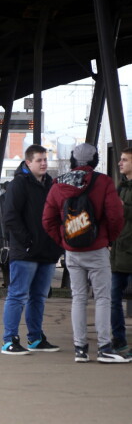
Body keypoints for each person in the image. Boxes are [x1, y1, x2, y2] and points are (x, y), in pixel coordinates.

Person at [43, 143, 127, 363]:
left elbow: (47, 219)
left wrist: (63, 240)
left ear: (72, 160)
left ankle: (80, 349)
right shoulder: (103, 182)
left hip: (72, 251)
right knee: (102, 298)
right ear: (94, 160)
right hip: (97, 249)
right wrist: (108, 239)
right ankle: (104, 348)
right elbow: (116, 215)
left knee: (78, 298)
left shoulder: (59, 184)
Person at [1, 144, 63, 356]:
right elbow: (10, 216)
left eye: (45, 159)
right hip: (25, 252)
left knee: (39, 296)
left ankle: (35, 338)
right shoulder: (18, 184)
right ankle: (9, 340)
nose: (44, 163)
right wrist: (27, 241)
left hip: (47, 251)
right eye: (39, 160)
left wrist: (56, 243)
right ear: (28, 162)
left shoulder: (50, 185)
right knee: (17, 295)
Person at [110, 147, 132, 357]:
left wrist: (122, 207)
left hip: (128, 251)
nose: (120, 163)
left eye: (124, 160)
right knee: (112, 298)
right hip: (118, 253)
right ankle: (119, 339)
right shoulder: (121, 186)